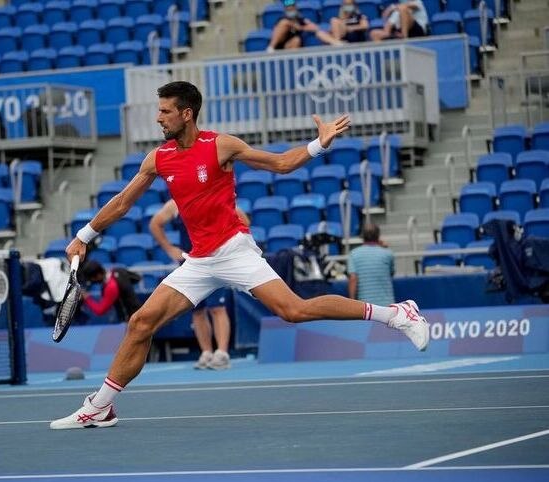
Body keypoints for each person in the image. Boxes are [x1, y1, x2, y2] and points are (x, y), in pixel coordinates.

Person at [49, 80, 429, 429]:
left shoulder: (220, 146)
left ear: (187, 113)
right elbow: (122, 203)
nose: (158, 117)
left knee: (293, 310)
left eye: (165, 111)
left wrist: (319, 144)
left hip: (234, 249)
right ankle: (101, 406)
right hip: (199, 260)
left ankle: (397, 314)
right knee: (141, 323)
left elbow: (280, 164)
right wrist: (84, 235)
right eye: (158, 110)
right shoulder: (158, 158)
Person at [149, 199, 251, 370]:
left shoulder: (214, 196)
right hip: (190, 262)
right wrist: (169, 249)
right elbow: (155, 224)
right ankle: (206, 352)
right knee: (197, 310)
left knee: (217, 308)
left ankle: (222, 353)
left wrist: (229, 244)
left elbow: (244, 221)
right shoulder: (175, 203)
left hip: (215, 259)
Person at [347, 223, 396, 307]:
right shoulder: (388, 253)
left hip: (366, 308)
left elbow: (353, 279)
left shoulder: (353, 254)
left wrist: (352, 303)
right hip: (387, 305)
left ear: (362, 236)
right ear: (378, 236)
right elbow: (391, 273)